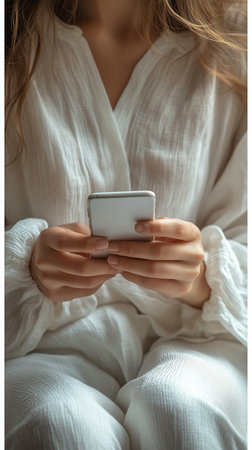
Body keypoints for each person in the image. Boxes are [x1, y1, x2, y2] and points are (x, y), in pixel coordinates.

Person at [5, 0, 247, 449]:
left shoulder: (237, 41)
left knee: (178, 406)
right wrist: (26, 270)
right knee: (59, 423)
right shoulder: (13, 43)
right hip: (37, 347)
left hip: (199, 342)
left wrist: (201, 280)